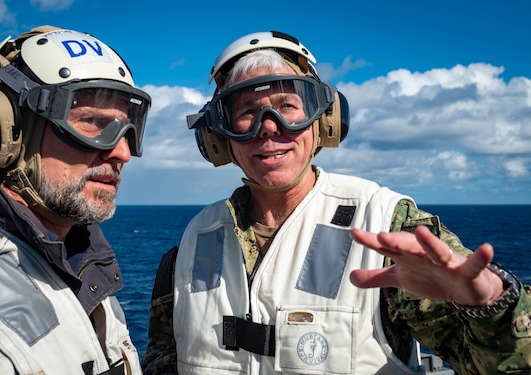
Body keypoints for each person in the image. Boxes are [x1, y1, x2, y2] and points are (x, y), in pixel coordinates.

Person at [142, 31, 531, 375]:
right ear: (218, 136)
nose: (270, 125)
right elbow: (162, 361)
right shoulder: (191, 245)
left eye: (288, 106)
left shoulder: (386, 225)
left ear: (324, 121)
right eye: (246, 113)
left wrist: (493, 305)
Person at [0, 25, 151, 374]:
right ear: (7, 131)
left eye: (128, 129)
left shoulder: (84, 266)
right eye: (92, 122)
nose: (122, 152)